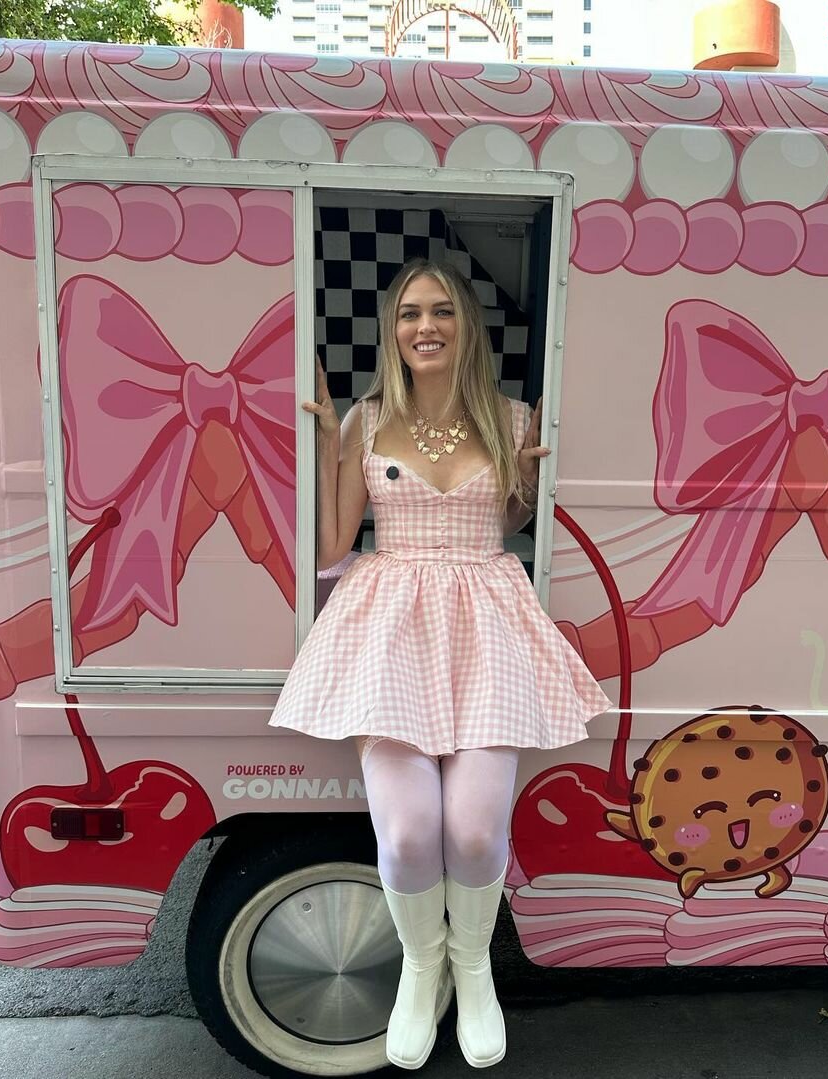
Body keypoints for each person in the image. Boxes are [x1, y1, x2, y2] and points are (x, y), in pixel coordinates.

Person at [269, 259, 612, 1069]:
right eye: (410, 312)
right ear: (392, 330)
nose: (426, 326)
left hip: (486, 625)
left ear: (468, 327)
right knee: (410, 829)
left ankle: (473, 965)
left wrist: (529, 483)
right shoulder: (366, 419)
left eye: (443, 311)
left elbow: (516, 518)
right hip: (390, 628)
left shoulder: (511, 420)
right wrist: (324, 442)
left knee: (475, 828)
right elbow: (330, 546)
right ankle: (421, 969)